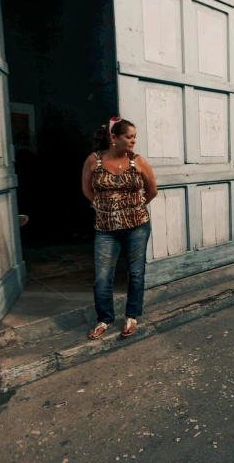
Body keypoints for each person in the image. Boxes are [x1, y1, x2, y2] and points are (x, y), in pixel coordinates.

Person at [81, 118, 158, 339]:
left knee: (135, 273)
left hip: (137, 227)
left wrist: (133, 207)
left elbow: (152, 191)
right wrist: (103, 206)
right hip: (105, 229)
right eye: (129, 136)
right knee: (103, 277)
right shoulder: (93, 161)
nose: (133, 140)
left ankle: (131, 316)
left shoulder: (138, 162)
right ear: (114, 138)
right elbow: (87, 190)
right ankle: (104, 319)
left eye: (134, 137)